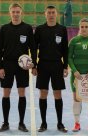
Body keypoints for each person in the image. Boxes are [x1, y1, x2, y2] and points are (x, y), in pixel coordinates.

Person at [0, 3, 35, 132]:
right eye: (13, 12)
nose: (15, 14)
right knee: (6, 93)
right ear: (10, 13)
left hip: (22, 67)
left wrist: (33, 63)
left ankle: (21, 123)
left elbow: (33, 48)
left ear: (21, 13)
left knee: (21, 93)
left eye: (18, 12)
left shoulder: (27, 28)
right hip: (7, 65)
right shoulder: (4, 28)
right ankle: (5, 123)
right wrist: (0, 67)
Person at [32, 5, 68, 133]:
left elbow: (65, 49)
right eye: (49, 13)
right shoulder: (40, 29)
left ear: (56, 14)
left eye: (53, 12)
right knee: (43, 94)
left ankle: (60, 123)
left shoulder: (62, 29)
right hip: (43, 65)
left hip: (57, 65)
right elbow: (34, 48)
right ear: (45, 14)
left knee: (58, 94)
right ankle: (43, 123)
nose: (51, 15)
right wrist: (34, 65)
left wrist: (65, 66)